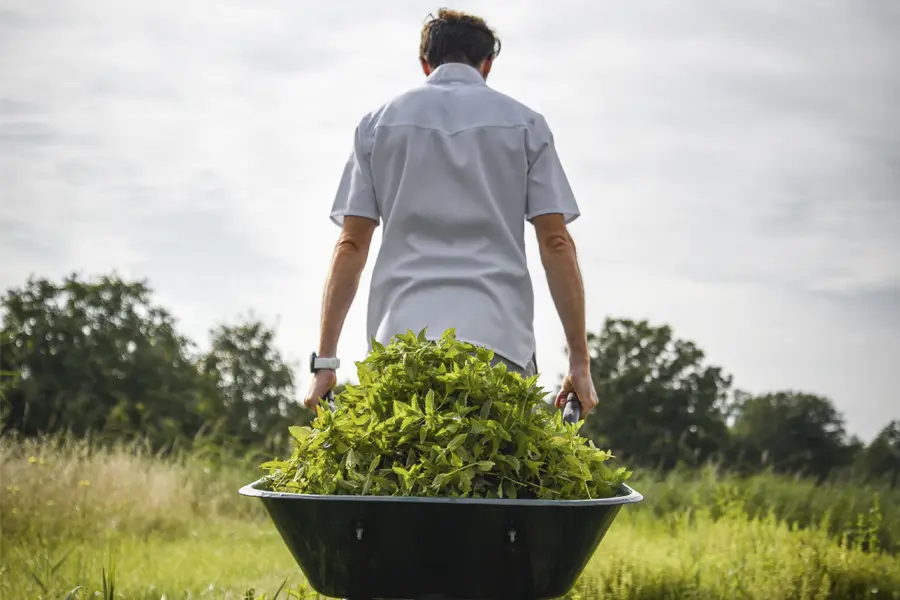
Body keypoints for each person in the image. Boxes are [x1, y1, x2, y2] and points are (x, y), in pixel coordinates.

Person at [303, 8, 598, 419]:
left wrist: (326, 364)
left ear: (426, 63)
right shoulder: (526, 125)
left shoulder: (377, 125)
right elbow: (556, 241)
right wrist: (579, 363)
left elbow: (351, 244)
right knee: (497, 476)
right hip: (499, 340)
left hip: (400, 346)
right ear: (487, 65)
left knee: (398, 474)